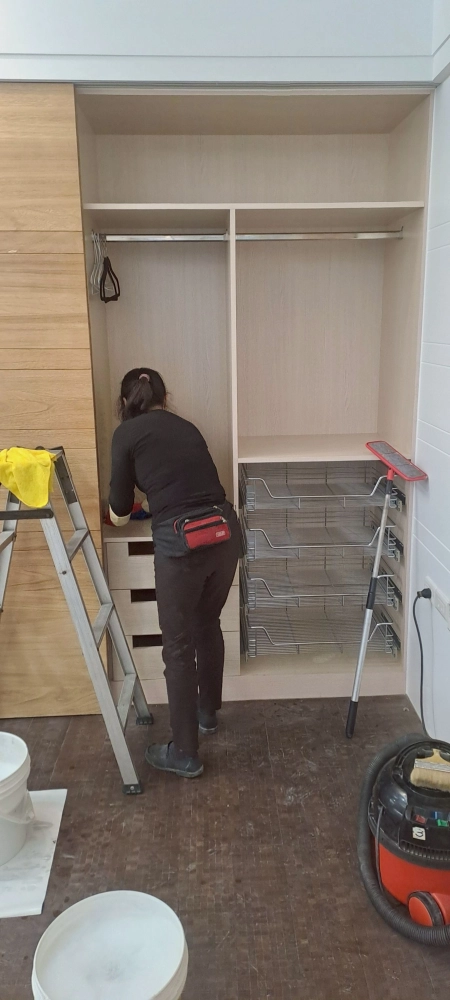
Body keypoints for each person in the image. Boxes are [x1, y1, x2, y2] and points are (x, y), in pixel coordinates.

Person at [108, 367, 240, 778]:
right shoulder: (187, 427)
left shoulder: (125, 435)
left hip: (182, 545)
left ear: (124, 403)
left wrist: (130, 510)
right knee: (207, 622)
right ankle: (207, 714)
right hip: (224, 533)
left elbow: (118, 511)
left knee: (178, 646)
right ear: (165, 398)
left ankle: (184, 753)